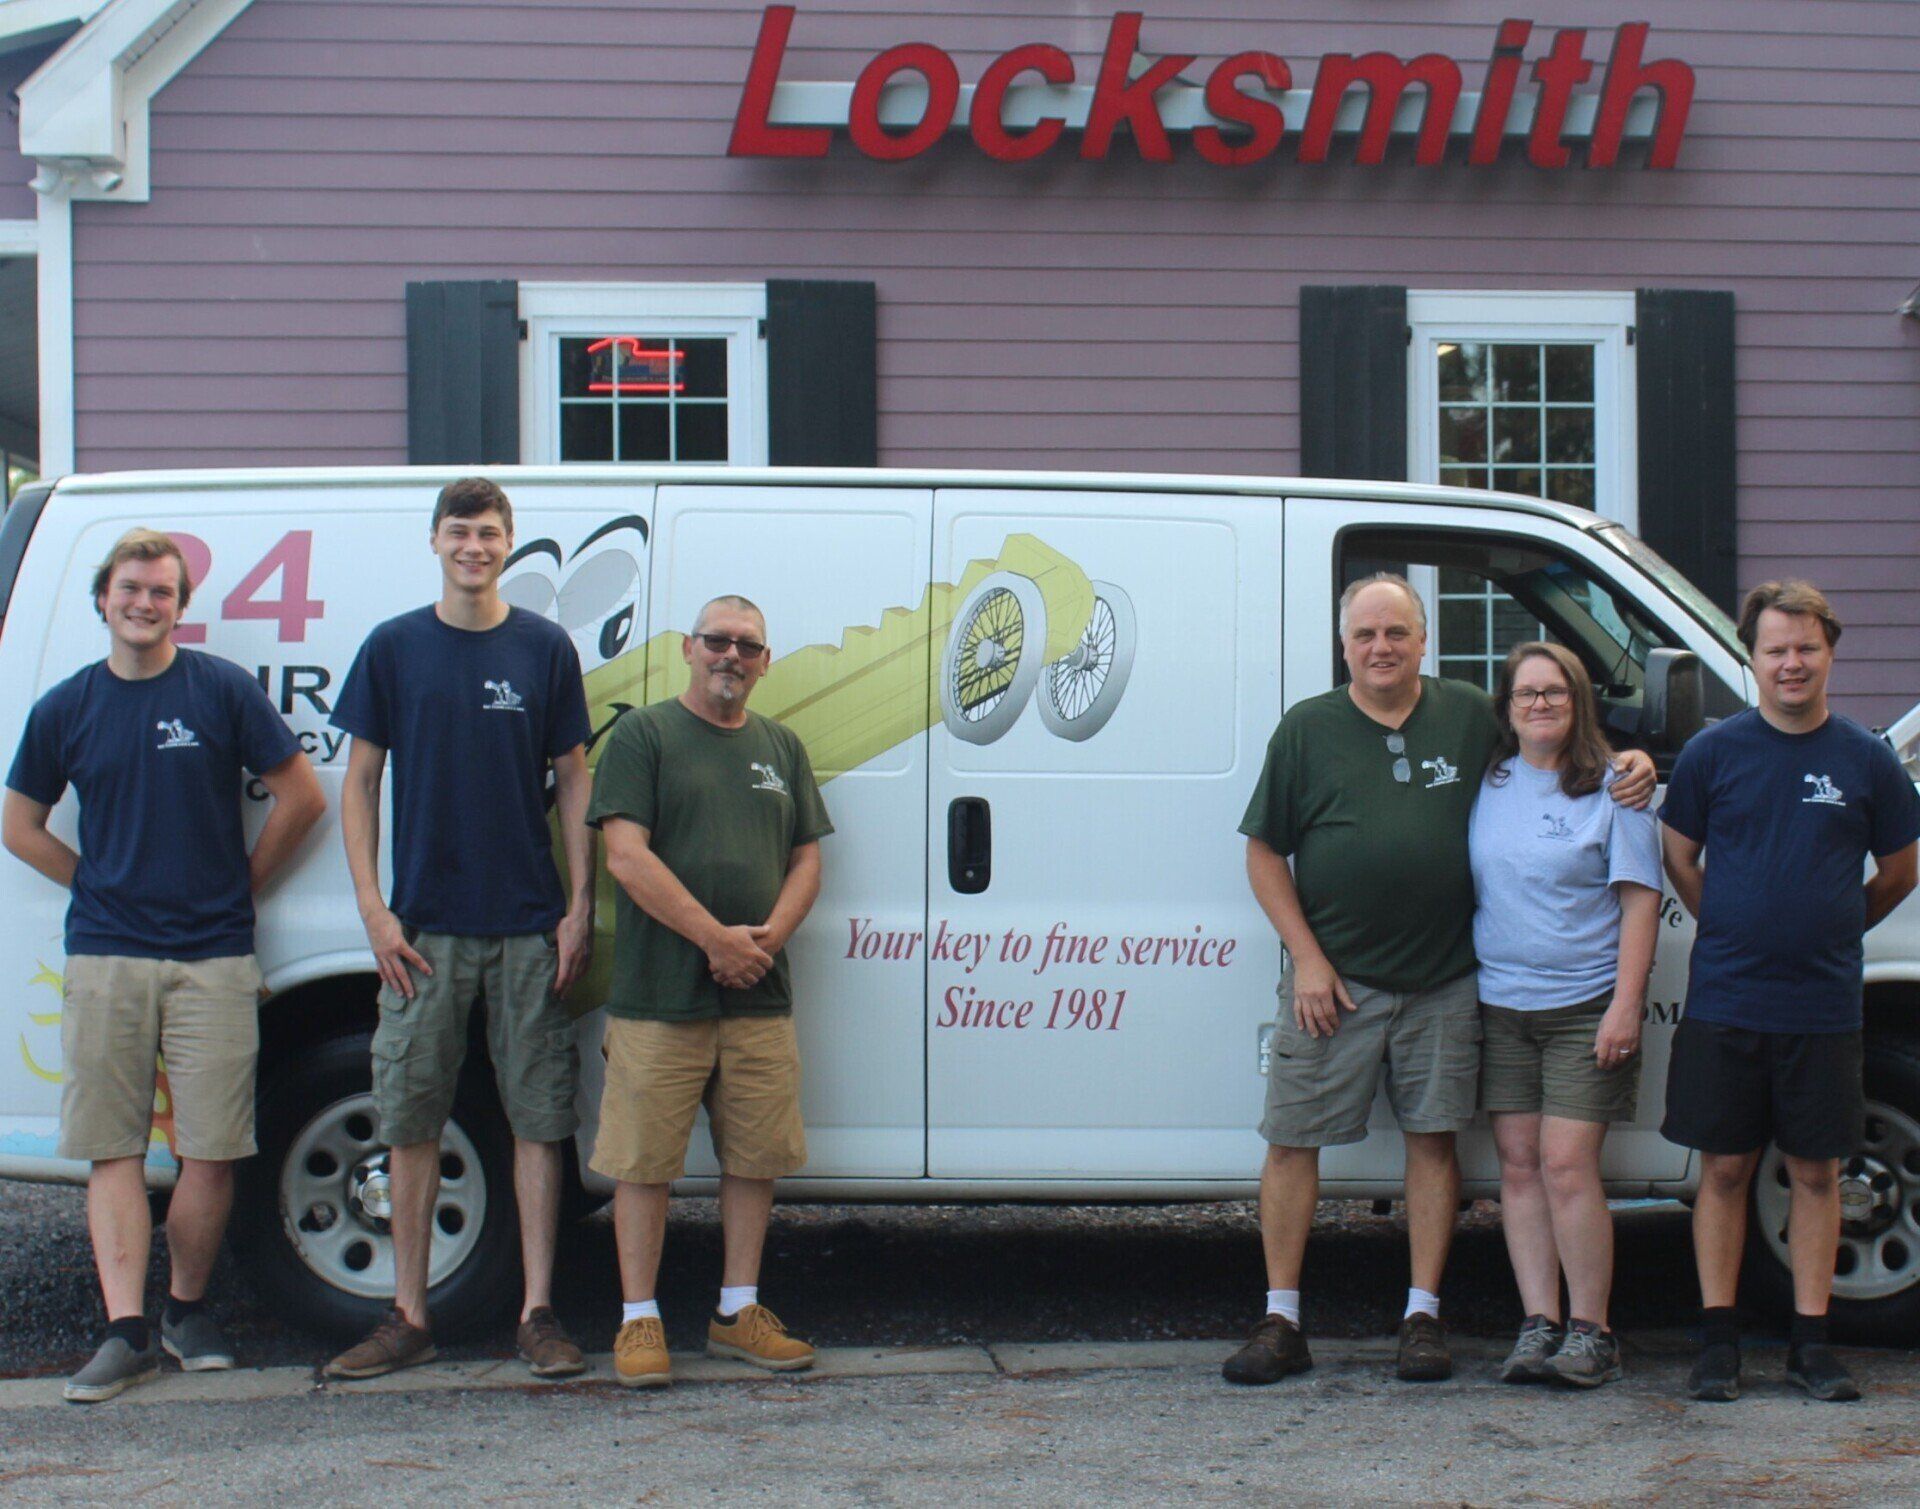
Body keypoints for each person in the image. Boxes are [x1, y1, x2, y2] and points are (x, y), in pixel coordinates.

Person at [1226, 572, 1655, 1387]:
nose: (1381, 647)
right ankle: (1281, 1318)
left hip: (1447, 980)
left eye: (1397, 632)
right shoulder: (1307, 729)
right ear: (1344, 646)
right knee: (1290, 1139)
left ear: (1425, 640)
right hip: (1335, 983)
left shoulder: (1466, 715)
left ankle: (1422, 1315)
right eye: (1365, 635)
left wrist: (1631, 760)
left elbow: (1556, 737)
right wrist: (1307, 958)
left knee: (1433, 1143)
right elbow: (1262, 851)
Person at [2, 528, 324, 1403]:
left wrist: (241, 885)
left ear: (182, 607)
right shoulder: (67, 706)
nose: (145, 603)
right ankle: (125, 1333)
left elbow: (303, 795)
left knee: (211, 1151)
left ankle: (186, 1309)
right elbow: (18, 823)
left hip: (213, 957)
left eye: (161, 592)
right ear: (103, 598)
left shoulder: (218, 689)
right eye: (131, 588)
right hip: (106, 955)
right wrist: (95, 882)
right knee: (111, 1150)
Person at [323, 477, 595, 1381]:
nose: (473, 546)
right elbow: (357, 784)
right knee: (410, 1118)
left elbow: (574, 780)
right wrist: (373, 908)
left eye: (488, 532)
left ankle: (538, 1312)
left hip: (526, 926)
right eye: (459, 531)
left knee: (538, 1119)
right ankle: (407, 1315)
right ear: (434, 541)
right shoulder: (394, 647)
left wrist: (578, 906)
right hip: (424, 933)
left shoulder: (544, 647)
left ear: (508, 543)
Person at [1661, 580, 1918, 1404]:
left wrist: (1837, 925)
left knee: (1816, 1173)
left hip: (1822, 1004)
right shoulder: (1712, 754)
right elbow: (1678, 856)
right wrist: (1732, 923)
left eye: (1806, 647)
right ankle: (1718, 1342)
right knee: (1726, 1170)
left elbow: (1901, 868)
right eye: (1776, 649)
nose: (1792, 663)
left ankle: (1812, 1343)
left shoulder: (1865, 758)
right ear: (1753, 656)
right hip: (1728, 999)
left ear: (1829, 653)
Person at [586, 595, 831, 1388]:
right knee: (643, 1161)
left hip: (758, 995)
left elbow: (806, 861)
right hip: (661, 994)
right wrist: (715, 939)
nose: (732, 655)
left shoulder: (781, 745)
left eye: (748, 646)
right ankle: (637, 1319)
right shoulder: (644, 736)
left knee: (754, 1158)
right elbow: (624, 856)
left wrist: (766, 941)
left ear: (765, 661)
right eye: (718, 641)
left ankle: (737, 1311)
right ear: (689, 649)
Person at [1470, 642, 1662, 1389]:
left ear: (1578, 701)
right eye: (1526, 693)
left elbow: (1640, 901)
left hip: (1585, 1005)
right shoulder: (1488, 781)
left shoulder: (1616, 789)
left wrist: (1625, 1005)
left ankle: (1593, 1330)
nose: (1540, 704)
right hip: (1501, 1003)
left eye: (1555, 692)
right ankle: (1538, 1322)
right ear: (1508, 706)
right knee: (1517, 1169)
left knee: (1565, 1165)